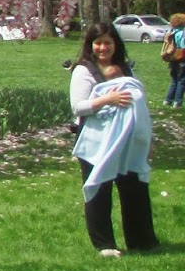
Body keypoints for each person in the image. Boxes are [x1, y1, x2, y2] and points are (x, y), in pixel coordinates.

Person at [68, 23, 158, 257]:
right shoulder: (84, 71)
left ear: (115, 44)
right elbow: (78, 107)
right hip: (96, 142)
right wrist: (107, 100)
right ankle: (104, 244)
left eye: (107, 42)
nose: (103, 47)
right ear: (90, 45)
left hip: (128, 140)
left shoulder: (125, 69)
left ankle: (142, 241)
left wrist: (147, 139)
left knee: (135, 189)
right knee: (99, 190)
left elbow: (140, 104)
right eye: (98, 43)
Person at [163, 13, 185, 108]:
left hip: (172, 58)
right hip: (181, 58)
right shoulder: (183, 32)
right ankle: (177, 102)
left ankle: (168, 100)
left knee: (174, 80)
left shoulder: (171, 31)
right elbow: (183, 46)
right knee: (181, 80)